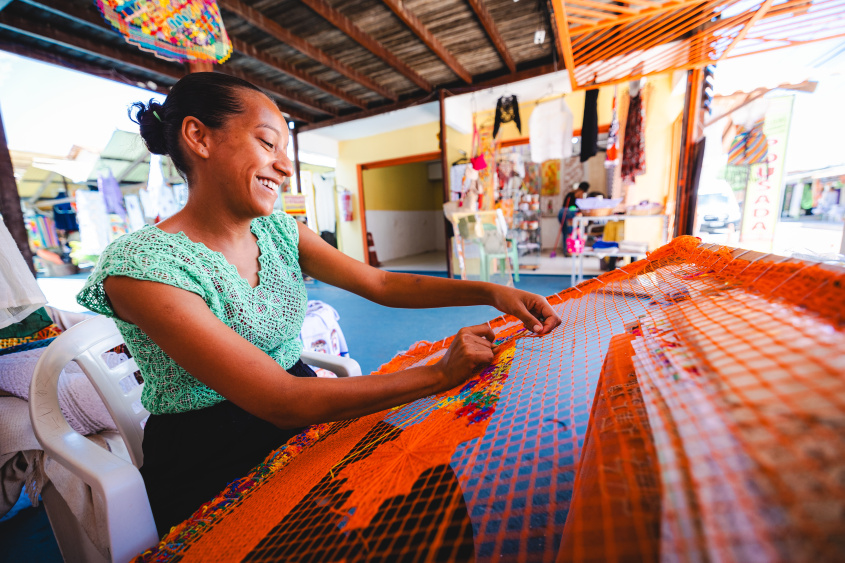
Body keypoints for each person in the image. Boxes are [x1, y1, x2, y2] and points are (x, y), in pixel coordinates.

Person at [75, 73, 561, 536]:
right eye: (267, 144)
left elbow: (381, 284)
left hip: (302, 406)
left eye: (284, 151)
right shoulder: (142, 267)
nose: (285, 166)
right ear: (199, 138)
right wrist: (437, 374)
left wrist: (490, 292)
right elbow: (278, 400)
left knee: (426, 487)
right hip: (213, 455)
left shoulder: (279, 231)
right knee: (350, 531)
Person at [557, 182, 589, 251]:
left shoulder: (570, 193)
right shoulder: (580, 193)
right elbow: (579, 207)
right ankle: (573, 250)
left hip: (561, 212)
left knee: (565, 232)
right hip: (569, 213)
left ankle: (566, 251)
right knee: (572, 232)